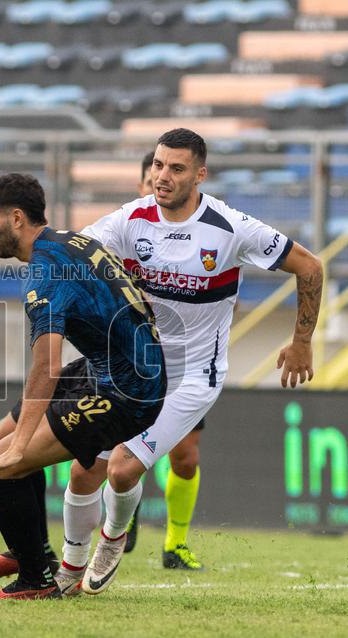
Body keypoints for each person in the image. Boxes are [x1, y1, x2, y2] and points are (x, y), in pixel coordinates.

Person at [47, 128, 323, 596]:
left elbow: (310, 266)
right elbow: (74, 254)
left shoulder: (230, 227)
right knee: (82, 471)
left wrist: (302, 341)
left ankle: (112, 542)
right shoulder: (130, 219)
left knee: (122, 468)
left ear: (200, 173)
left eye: (176, 168)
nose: (162, 176)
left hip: (194, 377)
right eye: (157, 165)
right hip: (131, 370)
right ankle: (70, 569)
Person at [0, 173, 167, 600]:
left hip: (127, 390)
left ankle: (37, 577)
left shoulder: (46, 272)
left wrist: (24, 445)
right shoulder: (70, 242)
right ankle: (30, 552)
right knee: (0, 437)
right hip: (111, 367)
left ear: (16, 218)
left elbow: (48, 364)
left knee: (4, 464)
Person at [123, 150, 207, 571]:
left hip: (183, 364)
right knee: (113, 454)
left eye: (171, 171)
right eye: (153, 174)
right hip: (130, 360)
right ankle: (121, 511)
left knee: (185, 457)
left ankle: (175, 544)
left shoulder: (196, 235)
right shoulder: (124, 230)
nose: (159, 182)